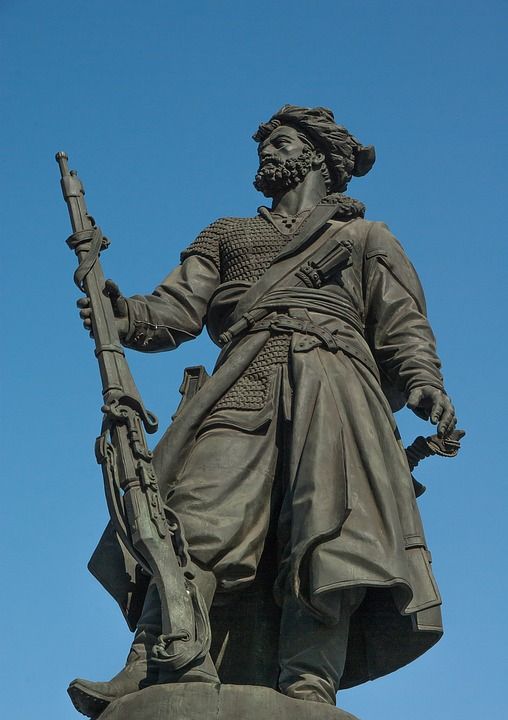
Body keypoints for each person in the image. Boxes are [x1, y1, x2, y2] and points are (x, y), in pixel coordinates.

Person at [70, 105, 456, 718]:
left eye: (282, 142)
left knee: (332, 534)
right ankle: (153, 659)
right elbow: (175, 309)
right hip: (242, 379)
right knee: (194, 518)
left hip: (336, 388)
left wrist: (423, 380)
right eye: (266, 143)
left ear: (319, 157)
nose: (267, 151)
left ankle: (310, 683)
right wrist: (125, 315)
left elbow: (402, 321)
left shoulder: (365, 237)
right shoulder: (226, 233)